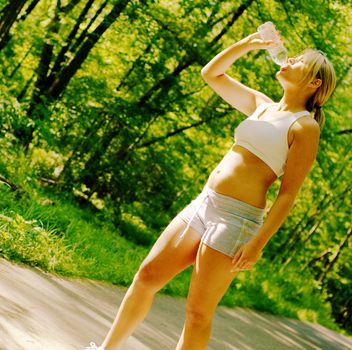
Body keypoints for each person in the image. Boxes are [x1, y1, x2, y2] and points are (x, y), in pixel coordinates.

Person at [85, 30, 336, 350]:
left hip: (237, 221)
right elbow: (211, 74)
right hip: (204, 203)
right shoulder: (262, 105)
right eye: (292, 56)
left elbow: (288, 194)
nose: (289, 59)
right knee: (146, 277)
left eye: (299, 61)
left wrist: (258, 243)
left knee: (197, 313)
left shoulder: (304, 126)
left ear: (314, 83)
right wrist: (248, 44)